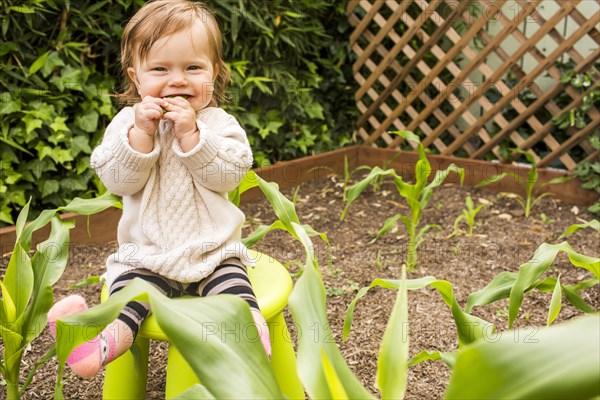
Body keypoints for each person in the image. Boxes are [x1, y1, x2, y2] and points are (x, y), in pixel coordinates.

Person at [47, 0, 270, 379]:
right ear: (136, 77)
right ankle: (91, 346)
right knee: (129, 303)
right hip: (147, 256)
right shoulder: (126, 124)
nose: (178, 80)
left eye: (193, 68)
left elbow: (230, 175)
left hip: (214, 255)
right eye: (161, 69)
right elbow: (118, 181)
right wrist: (141, 136)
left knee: (237, 299)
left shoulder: (220, 123)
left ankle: (247, 355)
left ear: (214, 73)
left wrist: (193, 136)